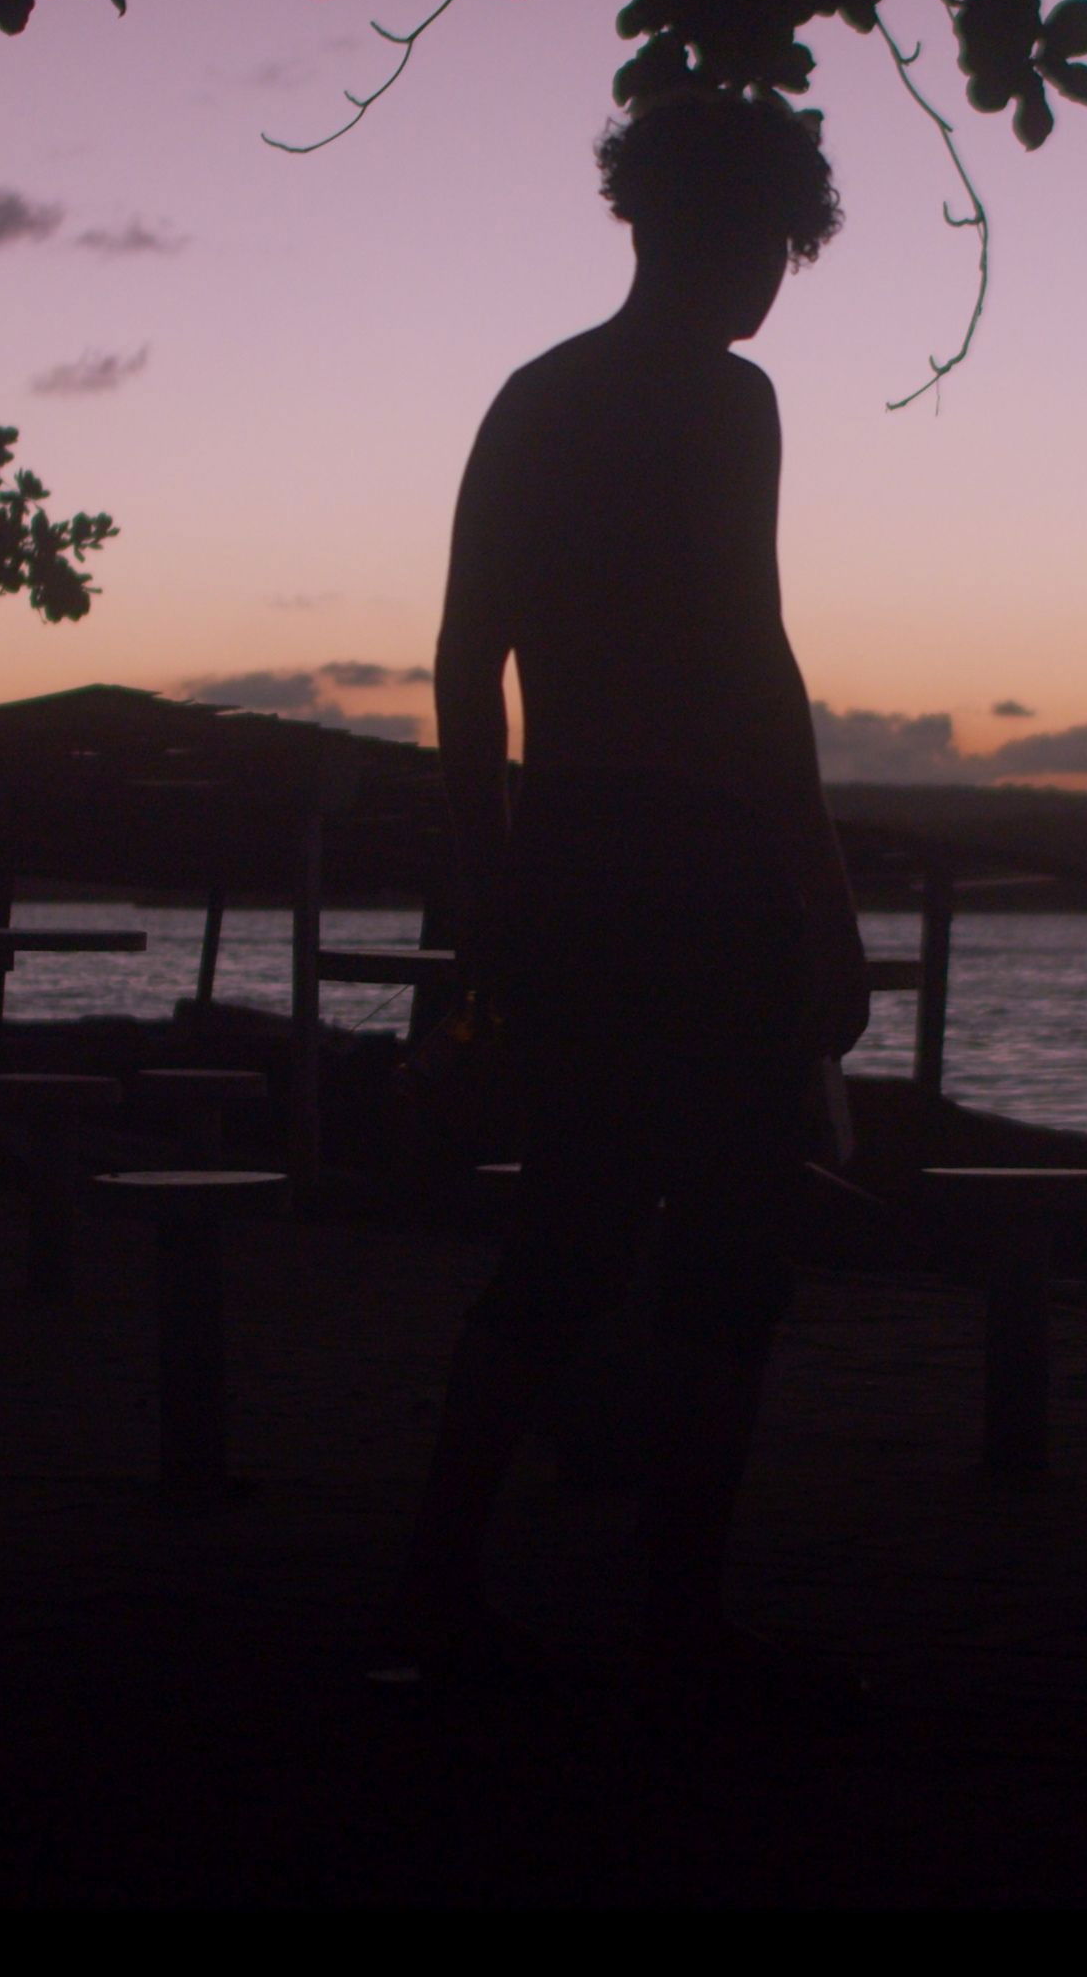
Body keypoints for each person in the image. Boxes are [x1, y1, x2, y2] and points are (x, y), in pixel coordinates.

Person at [394, 94, 868, 1687]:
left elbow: (470, 659)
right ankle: (667, 1608)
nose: (771, 273)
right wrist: (822, 894)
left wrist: (493, 875)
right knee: (716, 1243)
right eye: (765, 241)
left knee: (579, 1232)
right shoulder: (728, 404)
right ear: (688, 227)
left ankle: (467, 1584)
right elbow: (752, 664)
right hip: (694, 860)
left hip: (585, 851)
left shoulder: (539, 398)